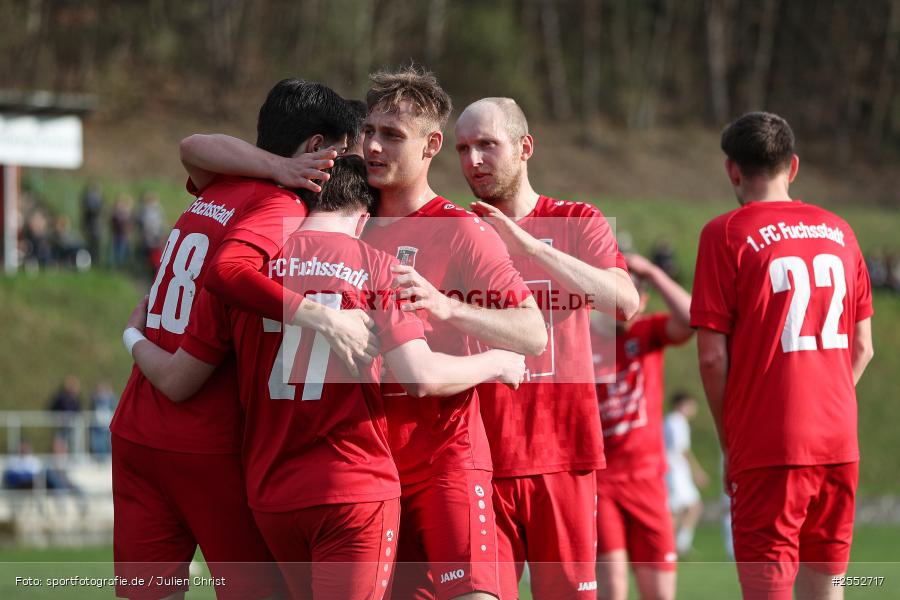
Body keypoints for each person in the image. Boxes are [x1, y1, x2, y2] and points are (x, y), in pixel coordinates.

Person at [180, 67, 548, 600]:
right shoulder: (336, 214)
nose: (373, 146)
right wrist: (278, 165)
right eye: (370, 131)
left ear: (432, 146)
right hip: (368, 471)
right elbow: (195, 150)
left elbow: (532, 332)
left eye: (393, 136)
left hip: (445, 460)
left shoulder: (462, 230)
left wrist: (447, 308)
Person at [124, 155, 527, 600]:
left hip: (272, 494)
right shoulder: (375, 265)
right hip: (351, 486)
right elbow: (422, 376)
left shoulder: (246, 272)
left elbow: (181, 376)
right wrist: (496, 363)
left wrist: (131, 335)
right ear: (363, 216)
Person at [109, 78, 365, 600]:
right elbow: (230, 275)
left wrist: (135, 336)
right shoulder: (280, 208)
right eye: (344, 154)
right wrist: (319, 315)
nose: (351, 167)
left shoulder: (220, 185)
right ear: (316, 148)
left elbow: (192, 145)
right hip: (204, 440)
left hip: (135, 429)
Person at [452, 96, 638, 600]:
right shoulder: (455, 231)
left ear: (524, 147)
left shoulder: (577, 221)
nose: (473, 161)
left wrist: (532, 247)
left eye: (487, 145)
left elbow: (625, 302)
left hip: (564, 454)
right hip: (480, 461)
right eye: (463, 148)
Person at [691, 111, 874, 600]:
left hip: (771, 445)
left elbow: (711, 358)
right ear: (792, 167)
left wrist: (731, 438)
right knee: (826, 586)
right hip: (840, 442)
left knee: (769, 587)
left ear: (733, 170)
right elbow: (863, 347)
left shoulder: (724, 234)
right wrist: (827, 398)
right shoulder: (842, 231)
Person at [589, 253, 694, 600]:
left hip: (648, 481)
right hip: (603, 483)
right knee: (614, 587)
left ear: (641, 301)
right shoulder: (585, 340)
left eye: (629, 296)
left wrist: (651, 271)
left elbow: (692, 318)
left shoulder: (648, 333)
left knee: (660, 593)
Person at [663, 392, 708, 558]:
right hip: (675, 471)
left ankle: (678, 544)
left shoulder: (671, 421)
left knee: (689, 506)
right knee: (676, 509)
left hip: (675, 470)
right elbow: (682, 449)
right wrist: (697, 471)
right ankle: (669, 546)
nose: (693, 409)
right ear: (682, 404)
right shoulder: (676, 421)